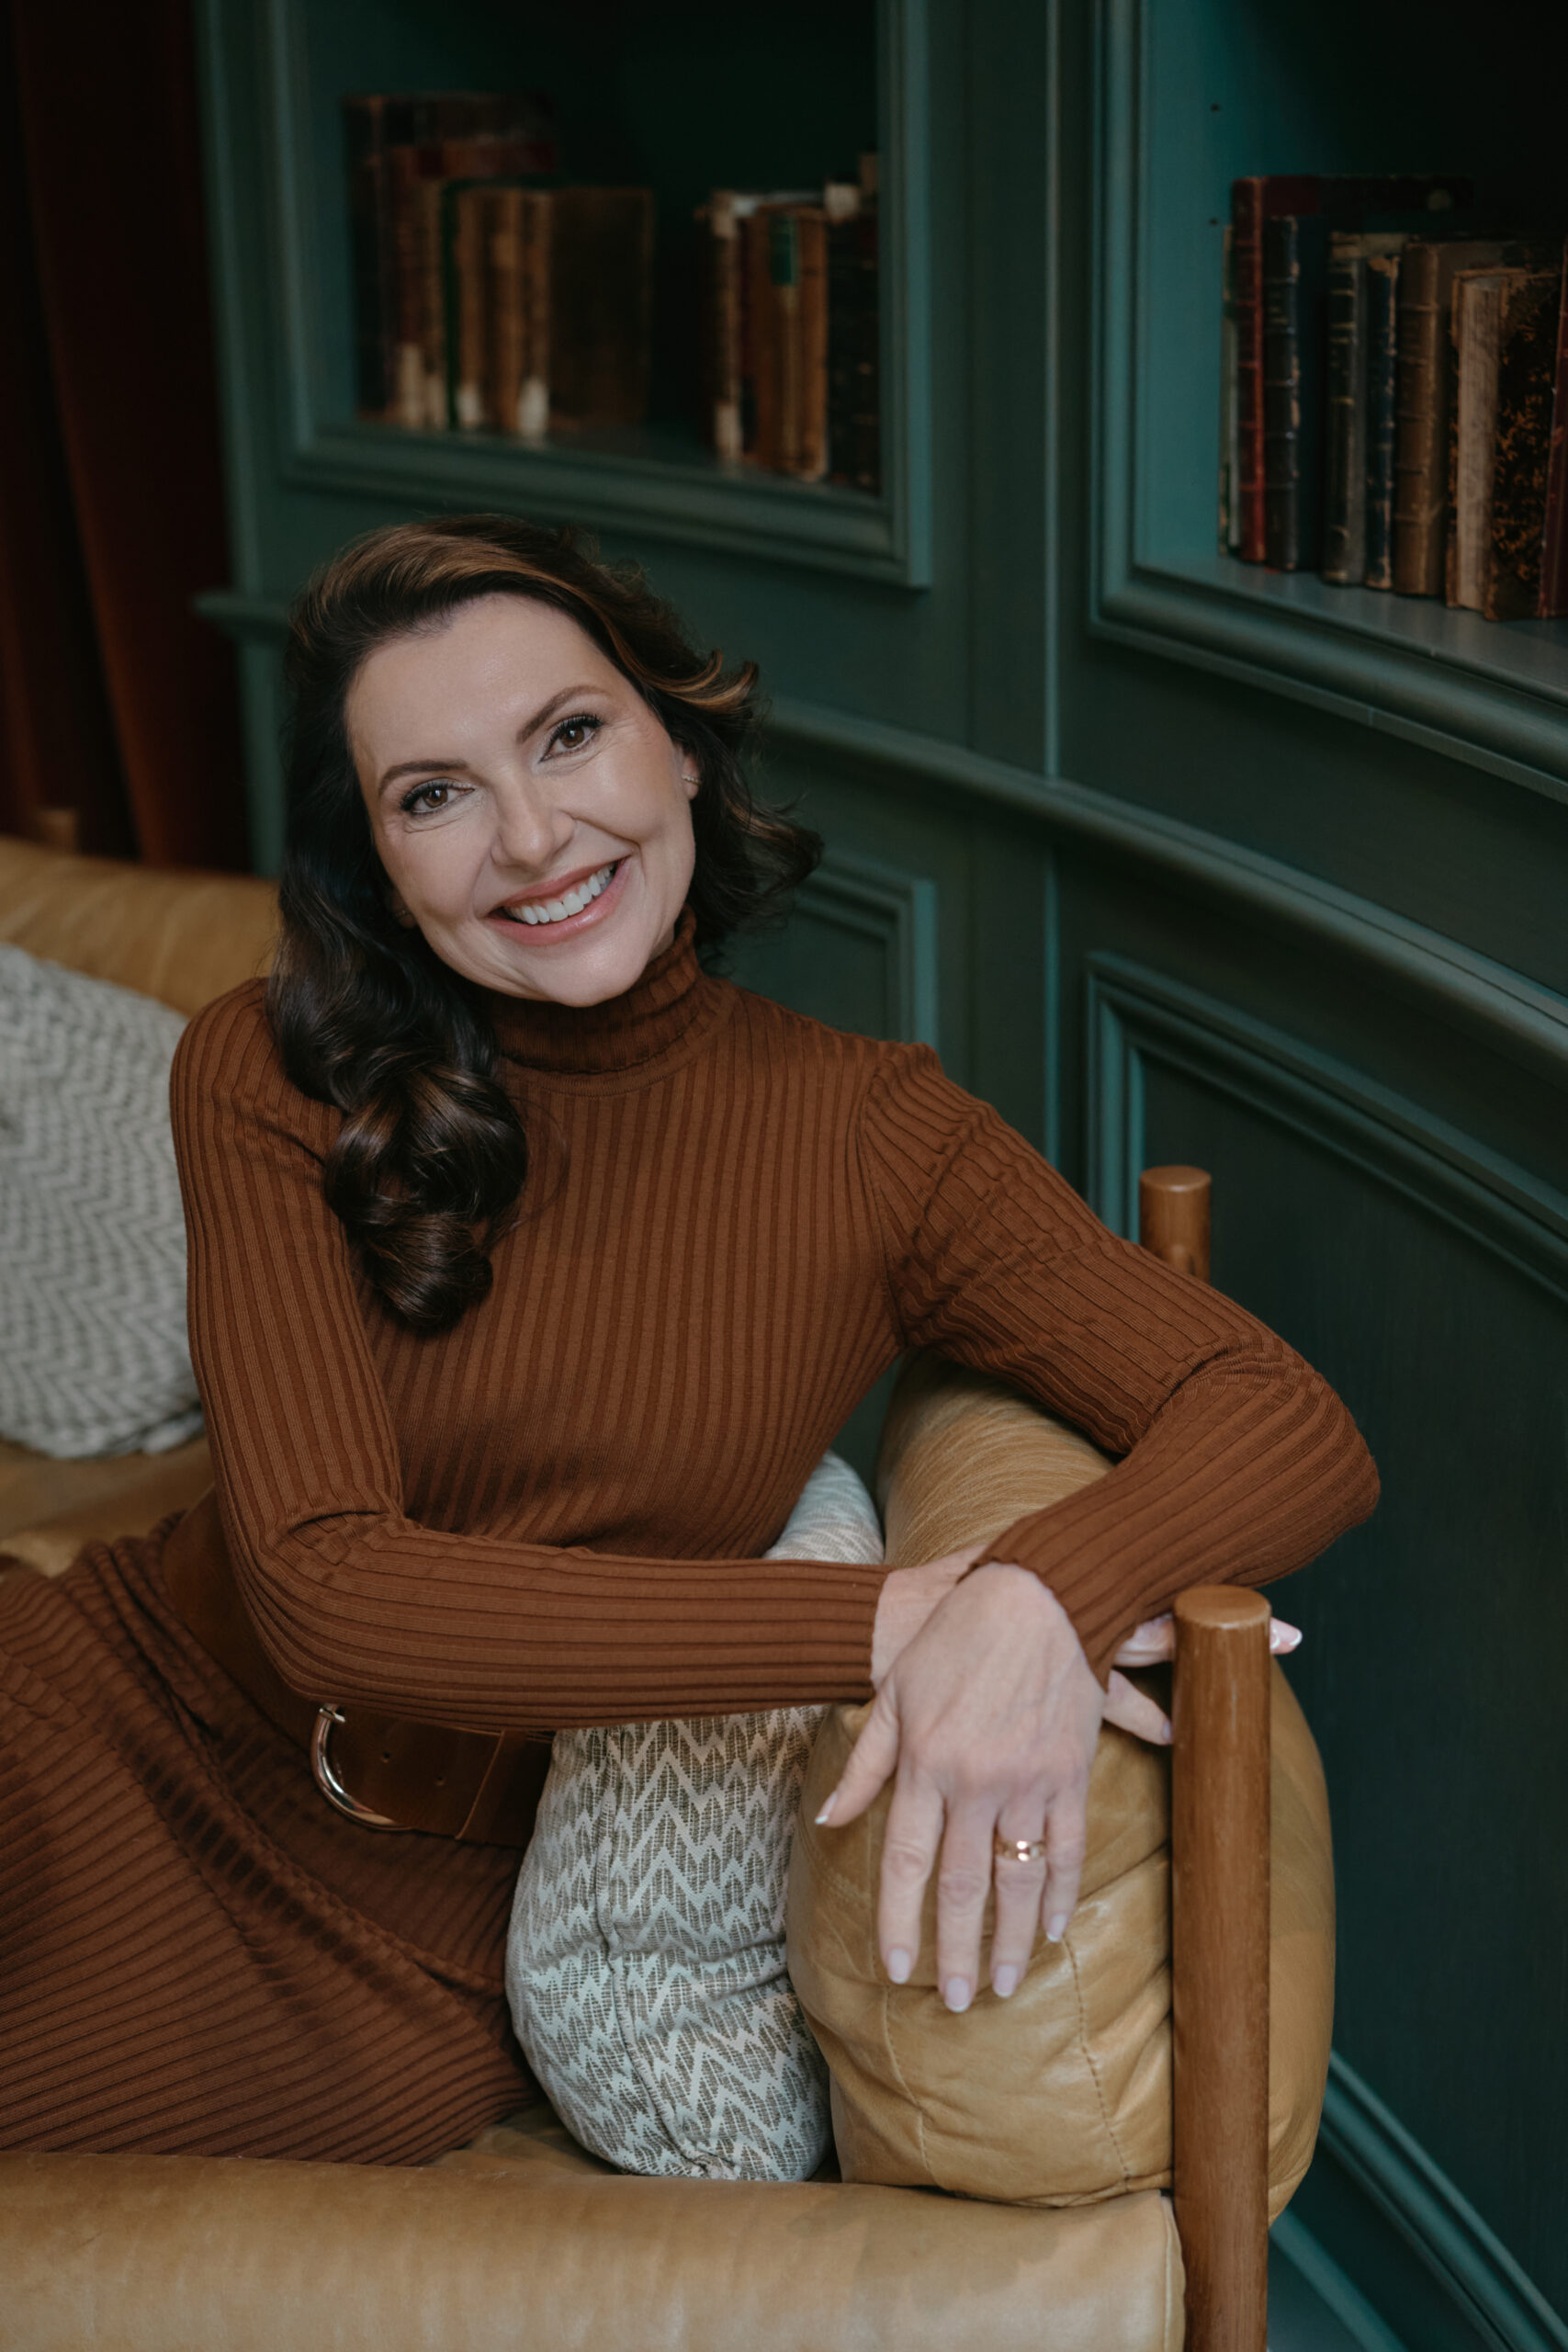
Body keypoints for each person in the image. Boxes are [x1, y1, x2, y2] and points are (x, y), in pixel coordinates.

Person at [0, 516, 1378, 2163]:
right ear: (374, 860)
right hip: (110, 1703)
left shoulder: (876, 1138)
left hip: (396, 1941)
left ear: (683, 745)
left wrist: (1032, 1598)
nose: (527, 837)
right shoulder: (272, 1068)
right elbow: (324, 1590)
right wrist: (889, 1630)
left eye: (569, 736)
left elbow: (1285, 1417)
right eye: (431, 794)